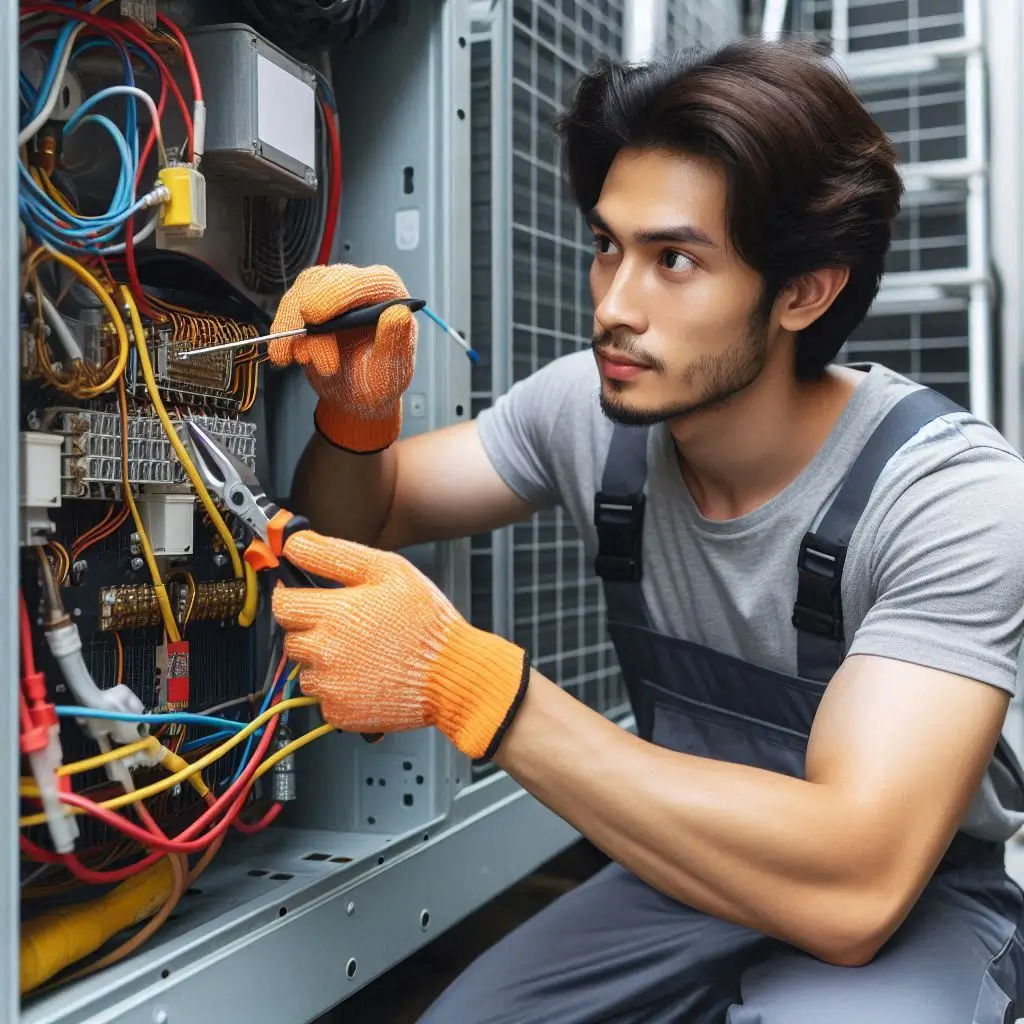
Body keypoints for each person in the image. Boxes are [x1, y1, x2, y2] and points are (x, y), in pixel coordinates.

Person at [267, 37, 1024, 1023]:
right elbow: (357, 522)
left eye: (674, 259)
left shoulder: (948, 497)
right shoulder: (589, 411)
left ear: (805, 291)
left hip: (911, 899)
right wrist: (356, 420)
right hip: (675, 867)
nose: (614, 307)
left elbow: (857, 888)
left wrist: (471, 684)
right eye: (607, 246)